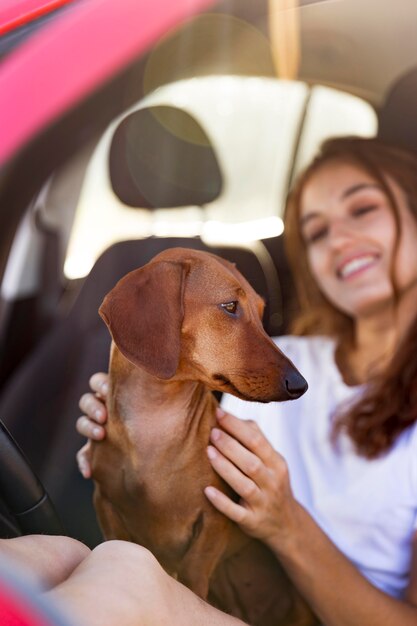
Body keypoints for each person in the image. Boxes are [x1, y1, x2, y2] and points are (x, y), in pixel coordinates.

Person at [76, 136, 417, 625]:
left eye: (362, 209)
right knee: (46, 555)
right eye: (317, 232)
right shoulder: (280, 367)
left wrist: (286, 523)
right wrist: (119, 430)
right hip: (222, 604)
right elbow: (177, 465)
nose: (339, 240)